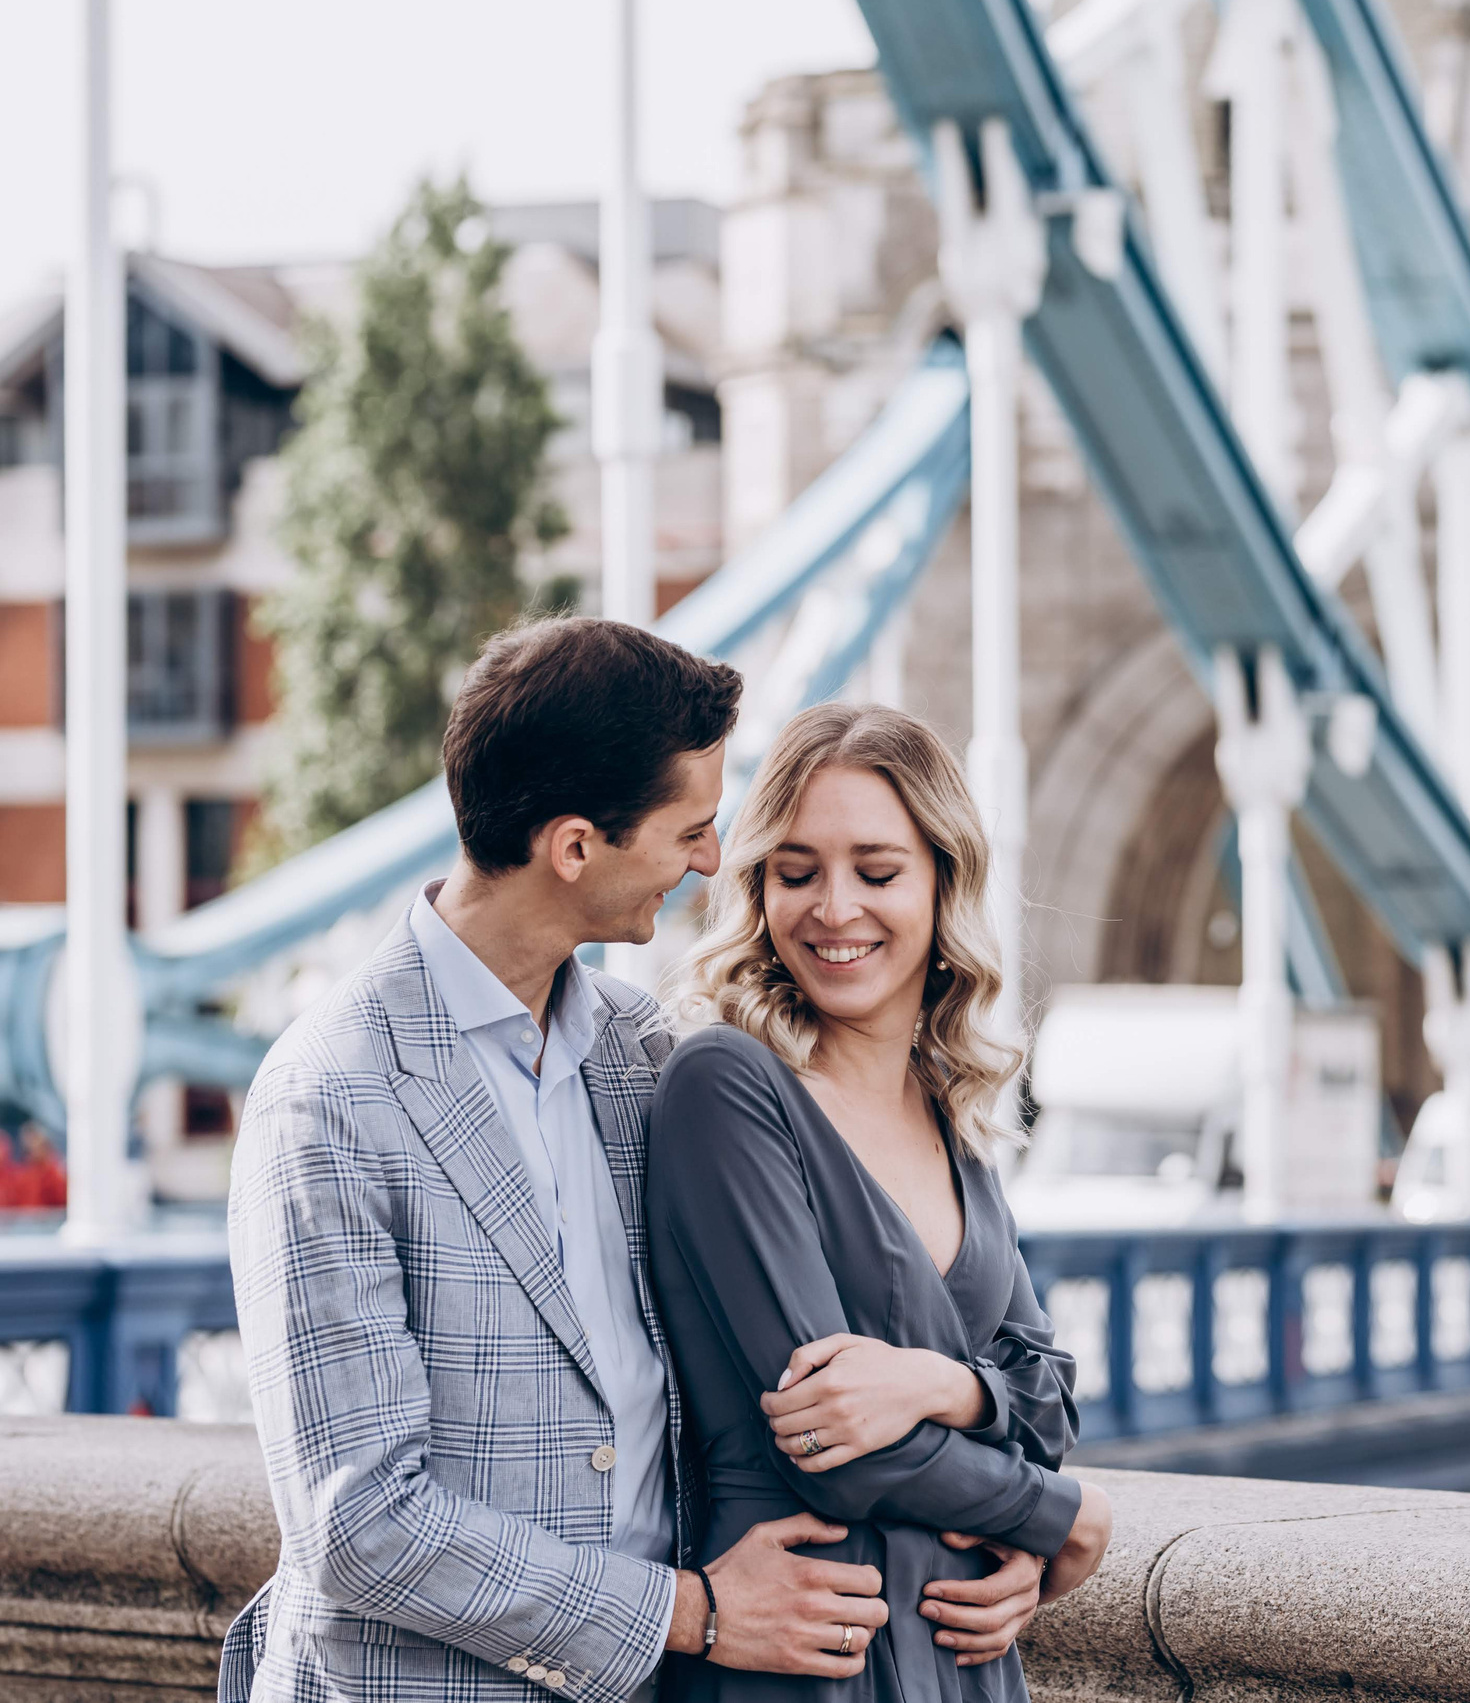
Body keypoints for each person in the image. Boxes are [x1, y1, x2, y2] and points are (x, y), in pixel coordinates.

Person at [220, 619, 1028, 1703]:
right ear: (574, 846)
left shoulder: (644, 1054)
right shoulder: (332, 1093)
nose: (709, 858)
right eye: (689, 828)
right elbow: (360, 1520)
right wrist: (689, 1612)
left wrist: (990, 1505)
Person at [649, 703, 1114, 1703]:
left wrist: (944, 1387)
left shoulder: (950, 1112)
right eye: (797, 869)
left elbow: (1048, 1398)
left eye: (877, 868)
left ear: (943, 880)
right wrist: (1058, 1517)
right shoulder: (726, 1084)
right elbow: (828, 1447)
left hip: (965, 1656)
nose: (833, 907)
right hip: (807, 1654)